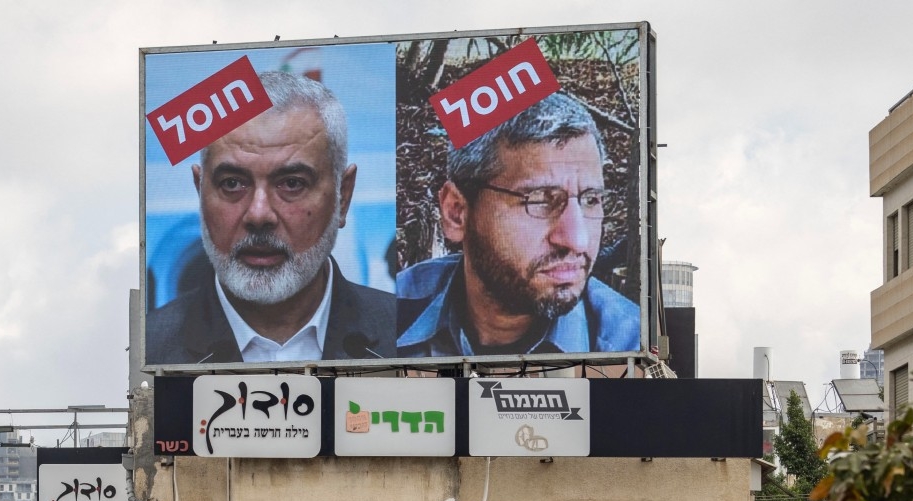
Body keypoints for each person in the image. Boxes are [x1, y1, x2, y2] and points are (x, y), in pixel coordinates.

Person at [146, 69, 398, 364]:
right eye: (232, 183)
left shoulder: (406, 337)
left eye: (292, 183)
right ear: (200, 192)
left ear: (343, 197)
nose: (259, 214)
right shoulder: (151, 349)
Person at [398, 92, 642, 358]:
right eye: (539, 201)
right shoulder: (387, 314)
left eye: (591, 200)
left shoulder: (631, 348)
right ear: (457, 212)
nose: (577, 239)